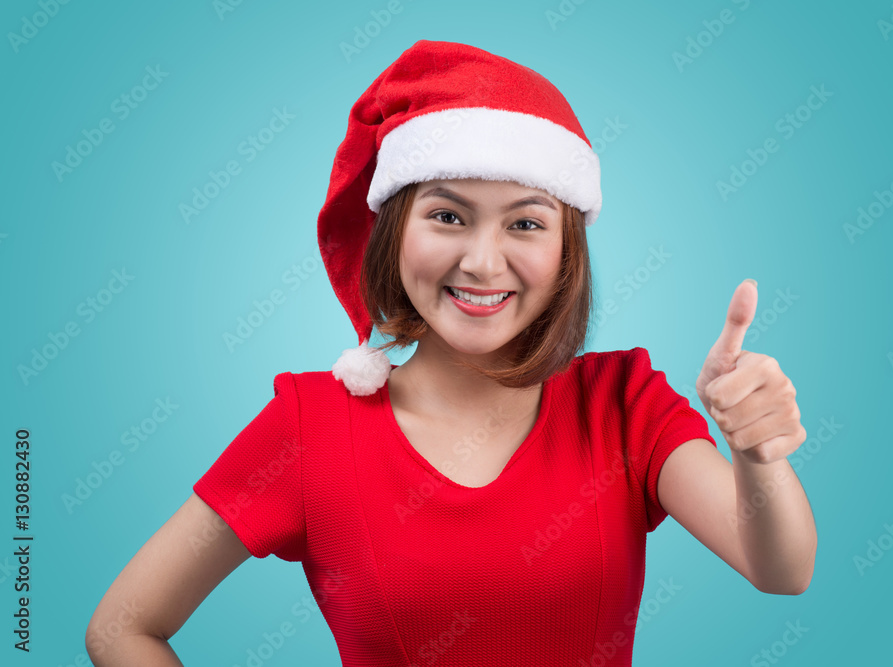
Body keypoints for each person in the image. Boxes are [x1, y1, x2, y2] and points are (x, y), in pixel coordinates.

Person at [86, 39, 816, 666]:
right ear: (394, 231)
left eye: (525, 224)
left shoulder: (622, 403)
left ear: (567, 251)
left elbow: (779, 566)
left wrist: (758, 452)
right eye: (446, 215)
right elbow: (121, 628)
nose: (483, 261)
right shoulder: (309, 427)